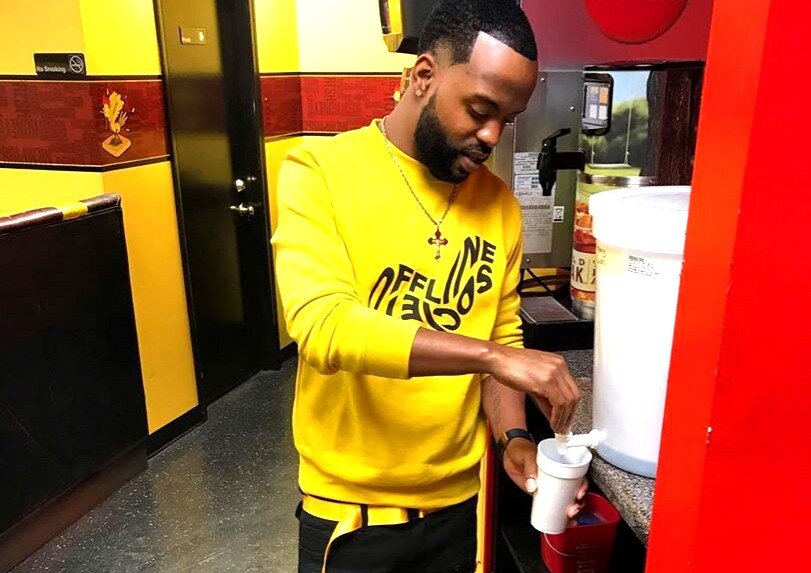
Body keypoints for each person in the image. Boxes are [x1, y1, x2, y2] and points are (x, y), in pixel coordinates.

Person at [272, 1, 585, 571]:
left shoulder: (499, 205)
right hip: (355, 516)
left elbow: (502, 335)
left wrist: (514, 436)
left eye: (507, 120)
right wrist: (493, 357)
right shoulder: (319, 171)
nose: (491, 135)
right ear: (422, 76)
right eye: (480, 109)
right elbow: (324, 327)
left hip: (463, 509)